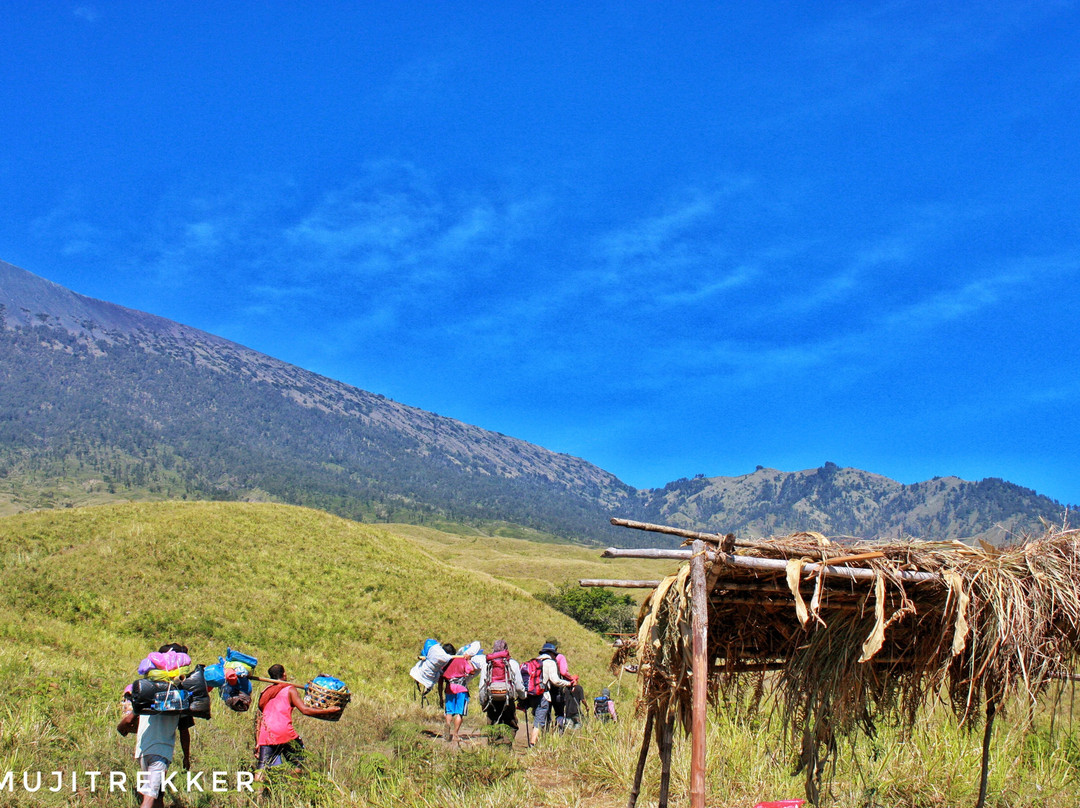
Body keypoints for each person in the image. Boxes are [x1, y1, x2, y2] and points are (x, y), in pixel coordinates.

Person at [255, 664, 342, 781]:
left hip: (266, 734)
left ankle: (258, 796)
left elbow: (259, 716)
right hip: (284, 732)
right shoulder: (289, 689)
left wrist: (257, 741)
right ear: (284, 674)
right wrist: (327, 711)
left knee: (262, 768)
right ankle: (294, 788)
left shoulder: (265, 692)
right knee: (297, 763)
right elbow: (305, 710)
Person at [132, 643, 193, 808]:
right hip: (161, 751)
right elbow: (184, 732)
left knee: (156, 794)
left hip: (143, 750)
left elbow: (132, 718)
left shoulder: (147, 693)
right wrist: (186, 757)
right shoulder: (180, 698)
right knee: (150, 796)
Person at [478, 639, 526, 732]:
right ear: (506, 649)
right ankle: (507, 744)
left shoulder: (487, 664)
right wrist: (523, 697)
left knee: (492, 724)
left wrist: (483, 702)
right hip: (508, 699)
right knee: (511, 724)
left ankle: (494, 744)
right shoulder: (513, 663)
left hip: (492, 699)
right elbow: (519, 685)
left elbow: (482, 686)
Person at [530, 642, 571, 745]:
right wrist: (568, 683)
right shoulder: (550, 662)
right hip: (543, 694)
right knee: (539, 722)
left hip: (532, 695)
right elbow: (555, 681)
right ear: (552, 653)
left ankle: (542, 740)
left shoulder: (535, 661)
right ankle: (533, 744)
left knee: (539, 718)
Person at [440, 644, 478, 744]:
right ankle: (455, 734)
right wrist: (469, 660)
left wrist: (440, 695)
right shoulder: (461, 660)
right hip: (461, 688)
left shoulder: (444, 663)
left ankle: (448, 723)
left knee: (449, 711)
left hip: (449, 688)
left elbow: (440, 677)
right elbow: (472, 671)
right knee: (459, 713)